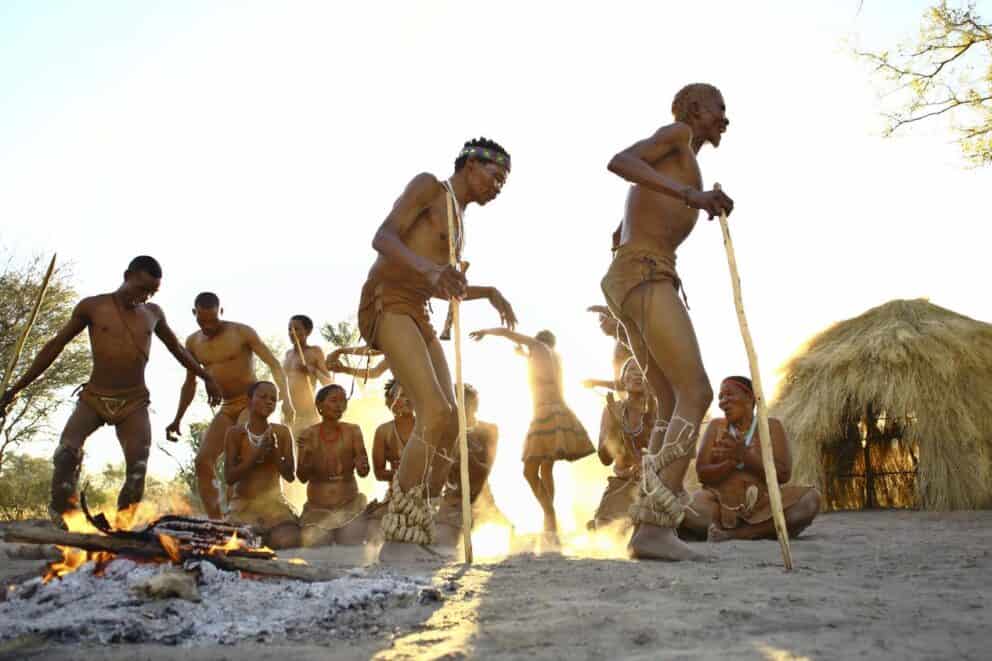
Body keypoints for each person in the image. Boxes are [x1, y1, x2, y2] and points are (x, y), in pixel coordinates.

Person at [357, 137, 516, 558]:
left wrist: (485, 291)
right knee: (432, 412)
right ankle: (398, 537)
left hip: (418, 309)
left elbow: (437, 283)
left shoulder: (461, 219)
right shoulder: (429, 186)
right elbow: (383, 238)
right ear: (470, 165)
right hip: (388, 301)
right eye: (494, 175)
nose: (498, 187)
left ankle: (418, 525)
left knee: (452, 421)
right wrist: (431, 271)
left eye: (504, 182)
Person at [600, 82, 733, 560]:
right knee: (696, 392)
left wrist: (696, 197)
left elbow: (622, 229)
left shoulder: (682, 160)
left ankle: (651, 522)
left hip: (636, 274)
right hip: (645, 272)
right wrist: (690, 195)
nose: (725, 119)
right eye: (719, 109)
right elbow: (620, 161)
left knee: (670, 399)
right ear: (694, 109)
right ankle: (655, 525)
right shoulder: (676, 135)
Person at [0, 256, 220, 529]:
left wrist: (206, 376)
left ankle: (122, 529)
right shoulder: (93, 306)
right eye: (141, 288)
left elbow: (177, 349)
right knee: (66, 454)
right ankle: (63, 513)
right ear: (127, 276)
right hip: (94, 397)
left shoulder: (153, 313)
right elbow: (55, 346)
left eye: (151, 292)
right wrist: (17, 387)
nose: (144, 296)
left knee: (138, 469)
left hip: (134, 401)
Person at [166, 292, 295, 520]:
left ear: (221, 311)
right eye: (202, 321)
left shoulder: (241, 332)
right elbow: (190, 383)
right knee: (203, 461)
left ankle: (254, 509)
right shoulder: (193, 342)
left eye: (213, 320)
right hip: (227, 407)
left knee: (243, 453)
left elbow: (274, 364)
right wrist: (178, 419)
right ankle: (217, 522)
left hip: (250, 404)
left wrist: (287, 400)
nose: (208, 326)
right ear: (194, 313)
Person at [470, 328, 593, 543]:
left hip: (545, 412)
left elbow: (509, 333)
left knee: (529, 471)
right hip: (556, 411)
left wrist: (487, 331)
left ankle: (549, 516)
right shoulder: (552, 356)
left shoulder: (537, 346)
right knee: (546, 468)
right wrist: (525, 357)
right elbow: (543, 374)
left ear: (537, 342)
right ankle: (550, 526)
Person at [683, 376, 821, 541]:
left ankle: (736, 533)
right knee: (687, 505)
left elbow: (783, 474)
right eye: (720, 397)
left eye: (729, 394)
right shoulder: (716, 427)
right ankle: (762, 529)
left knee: (810, 499)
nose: (722, 402)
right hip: (719, 503)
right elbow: (702, 473)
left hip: (763, 504)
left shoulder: (771, 426)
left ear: (749, 397)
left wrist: (746, 457)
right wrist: (730, 463)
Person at [223, 380, 300, 549]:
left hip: (273, 504)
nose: (269, 401)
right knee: (234, 543)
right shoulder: (235, 433)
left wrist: (275, 452)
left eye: (273, 399)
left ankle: (265, 535)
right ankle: (256, 535)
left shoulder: (282, 432)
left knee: (289, 541)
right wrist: (256, 455)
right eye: (263, 397)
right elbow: (229, 477)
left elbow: (290, 476)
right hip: (242, 504)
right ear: (248, 401)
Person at [435, 383, 510, 545]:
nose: (460, 411)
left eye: (466, 405)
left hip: (481, 498)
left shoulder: (489, 430)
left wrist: (467, 456)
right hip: (453, 502)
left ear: (475, 406)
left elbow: (485, 470)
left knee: (507, 531)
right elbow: (439, 471)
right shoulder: (446, 434)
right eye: (456, 406)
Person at [296, 384, 370, 546]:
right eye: (334, 400)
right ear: (320, 405)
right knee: (316, 542)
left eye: (343, 401)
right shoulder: (308, 434)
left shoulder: (353, 431)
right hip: (317, 509)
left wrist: (362, 465)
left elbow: (364, 472)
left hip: (349, 506)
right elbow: (301, 477)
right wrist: (307, 455)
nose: (339, 405)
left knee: (351, 540)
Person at [589, 358, 656, 531]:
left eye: (642, 370)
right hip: (623, 483)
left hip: (656, 483)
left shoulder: (658, 409)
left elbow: (661, 451)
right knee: (606, 528)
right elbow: (605, 459)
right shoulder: (613, 410)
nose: (638, 374)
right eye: (632, 370)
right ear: (623, 380)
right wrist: (615, 426)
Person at [283, 314, 333, 437]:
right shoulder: (288, 354)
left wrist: (312, 370)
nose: (291, 333)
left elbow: (329, 383)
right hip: (289, 413)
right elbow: (283, 383)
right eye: (289, 329)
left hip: (309, 413)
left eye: (296, 329)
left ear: (307, 332)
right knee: (290, 447)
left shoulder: (315, 351)